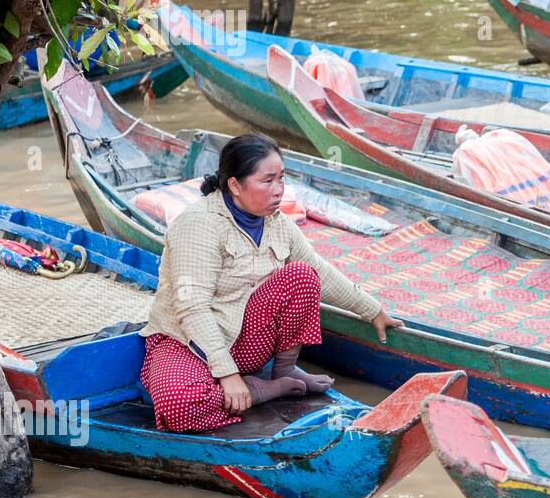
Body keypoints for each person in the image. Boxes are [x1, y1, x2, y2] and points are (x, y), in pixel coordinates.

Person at [139, 134, 403, 433]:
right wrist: (228, 376)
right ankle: (264, 389)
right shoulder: (198, 225)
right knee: (179, 405)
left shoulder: (278, 223)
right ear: (235, 186)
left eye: (282, 179)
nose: (279, 190)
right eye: (268, 181)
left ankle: (285, 370)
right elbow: (192, 308)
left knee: (302, 275)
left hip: (245, 341)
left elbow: (320, 272)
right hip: (187, 341)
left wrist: (372, 310)